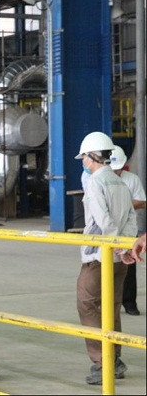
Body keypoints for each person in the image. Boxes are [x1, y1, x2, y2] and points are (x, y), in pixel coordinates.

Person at [74, 132, 137, 385]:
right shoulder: (119, 183)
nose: (83, 162)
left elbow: (102, 220)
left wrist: (115, 246)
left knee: (87, 303)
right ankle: (116, 358)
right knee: (111, 305)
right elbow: (131, 218)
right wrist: (126, 246)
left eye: (84, 157)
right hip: (119, 256)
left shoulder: (95, 183)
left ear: (93, 157)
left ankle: (103, 361)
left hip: (99, 256)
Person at [109, 146, 146, 316]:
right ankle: (107, 302)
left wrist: (122, 206)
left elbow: (142, 201)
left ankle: (129, 302)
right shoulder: (99, 180)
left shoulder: (131, 179)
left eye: (118, 169)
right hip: (106, 229)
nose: (116, 172)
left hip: (128, 229)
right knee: (103, 266)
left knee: (128, 266)